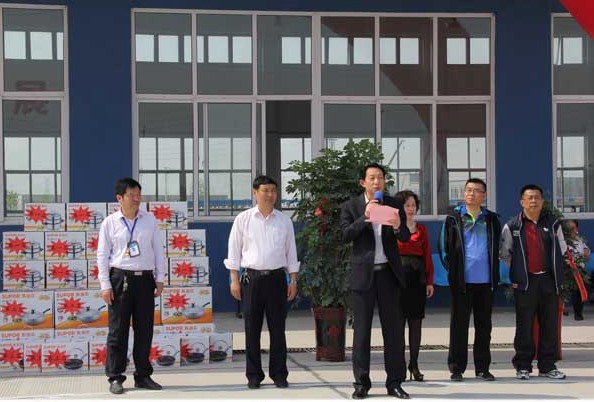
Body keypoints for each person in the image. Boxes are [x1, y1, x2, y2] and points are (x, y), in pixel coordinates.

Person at [340, 162, 411, 400]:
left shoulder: (394, 204)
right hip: (363, 275)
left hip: (388, 274)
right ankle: (361, 383)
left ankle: (395, 382)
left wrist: (399, 226)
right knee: (361, 332)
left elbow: (405, 237)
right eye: (372, 178)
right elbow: (346, 234)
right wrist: (366, 216)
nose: (377, 181)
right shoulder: (351, 206)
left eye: (380, 177)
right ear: (363, 182)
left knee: (393, 332)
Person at [224, 175, 299, 389]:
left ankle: (279, 374)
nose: (270, 195)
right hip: (252, 279)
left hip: (277, 279)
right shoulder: (243, 219)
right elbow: (233, 251)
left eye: (273, 190)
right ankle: (254, 375)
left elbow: (291, 252)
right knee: (252, 329)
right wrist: (234, 280)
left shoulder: (284, 221)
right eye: (265, 190)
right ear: (255, 193)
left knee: (278, 329)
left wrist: (293, 280)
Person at [97, 177, 166, 394]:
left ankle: (143, 375)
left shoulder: (149, 220)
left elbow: (158, 250)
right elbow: (102, 255)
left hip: (144, 280)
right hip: (120, 279)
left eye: (138, 194)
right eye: (131, 195)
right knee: (118, 331)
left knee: (144, 330)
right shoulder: (110, 223)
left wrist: (160, 278)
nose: (136, 199)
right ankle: (115, 377)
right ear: (120, 198)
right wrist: (105, 285)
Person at [500, 184, 567, 380]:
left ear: (542, 201)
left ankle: (547, 366)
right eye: (529, 197)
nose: (533, 201)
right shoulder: (513, 226)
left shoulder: (553, 224)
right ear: (522, 202)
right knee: (524, 326)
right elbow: (505, 253)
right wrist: (518, 271)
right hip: (525, 283)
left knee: (549, 325)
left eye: (537, 197)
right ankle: (523, 366)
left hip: (548, 281)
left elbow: (562, 248)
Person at [438, 178, 501, 382]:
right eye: (468, 190)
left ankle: (482, 368)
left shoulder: (492, 220)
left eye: (476, 191)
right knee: (459, 326)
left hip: (486, 282)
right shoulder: (453, 219)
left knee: (484, 327)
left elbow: (498, 247)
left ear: (484, 195)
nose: (471, 194)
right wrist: (454, 272)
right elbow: (443, 248)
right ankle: (457, 368)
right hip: (462, 283)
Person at [394, 190, 434, 382]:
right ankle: (400, 365)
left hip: (418, 279)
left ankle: (415, 364)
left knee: (416, 323)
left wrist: (429, 281)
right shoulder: (393, 228)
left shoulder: (422, 229)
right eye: (406, 205)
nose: (410, 209)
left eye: (413, 205)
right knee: (398, 324)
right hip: (398, 279)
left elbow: (427, 255)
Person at [561, 219, 590, 321]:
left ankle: (578, 312)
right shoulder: (562, 240)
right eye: (569, 227)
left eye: (573, 228)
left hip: (579, 269)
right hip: (566, 268)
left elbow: (586, 254)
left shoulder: (580, 240)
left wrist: (586, 251)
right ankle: (563, 309)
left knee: (582, 285)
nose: (571, 230)